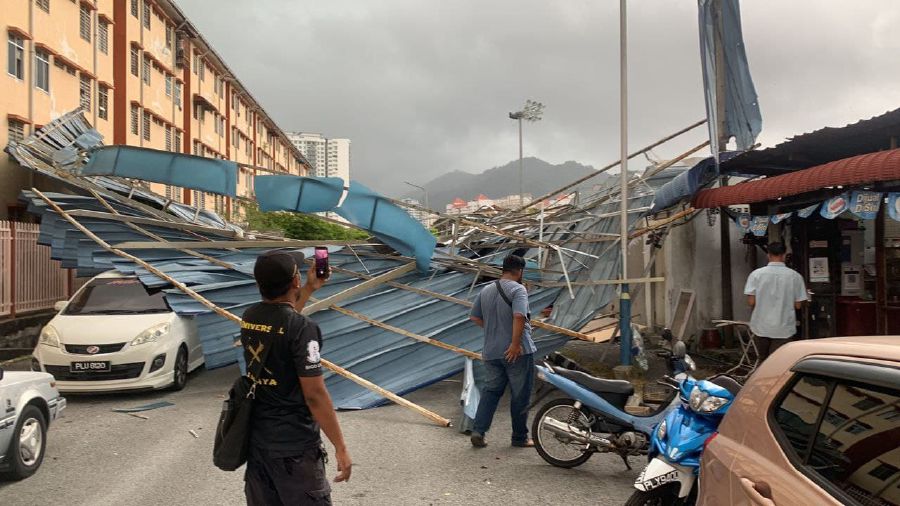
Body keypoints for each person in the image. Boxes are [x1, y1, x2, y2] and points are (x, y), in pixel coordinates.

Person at [241, 249, 351, 505]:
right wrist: (340, 447)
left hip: (259, 443)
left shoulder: (250, 317)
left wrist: (310, 289)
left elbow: (283, 320)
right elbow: (314, 395)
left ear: (259, 285)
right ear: (295, 281)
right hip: (294, 449)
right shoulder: (303, 328)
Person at [468, 254, 536, 448]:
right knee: (520, 394)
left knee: (491, 391)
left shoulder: (486, 290)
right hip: (517, 352)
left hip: (491, 351)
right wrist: (515, 344)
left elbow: (475, 318)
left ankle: (478, 431)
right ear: (520, 271)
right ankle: (519, 438)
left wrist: (494, 329)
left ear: (504, 269)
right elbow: (519, 316)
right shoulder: (519, 290)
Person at [744, 242, 808, 362]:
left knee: (762, 360)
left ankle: (760, 380)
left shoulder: (756, 275)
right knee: (778, 362)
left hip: (761, 327)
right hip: (784, 328)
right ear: (784, 255)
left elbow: (751, 302)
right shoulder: (795, 277)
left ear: (768, 255)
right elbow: (798, 305)